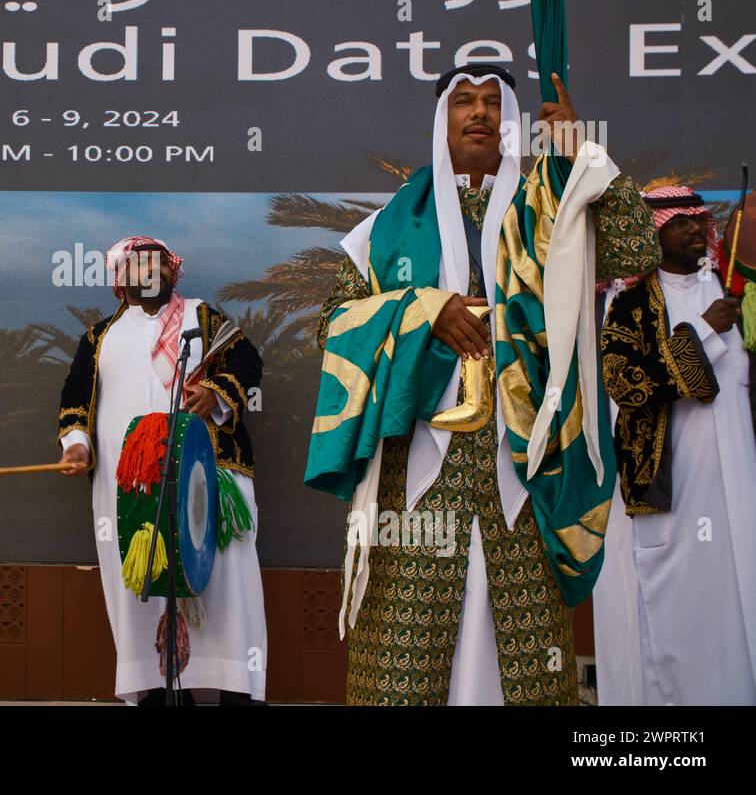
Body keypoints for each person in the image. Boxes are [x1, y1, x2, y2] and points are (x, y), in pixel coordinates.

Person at [309, 65, 659, 705]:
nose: (479, 113)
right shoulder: (387, 227)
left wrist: (582, 157)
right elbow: (331, 328)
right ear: (441, 122)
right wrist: (421, 311)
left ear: (514, 123)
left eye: (493, 103)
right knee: (403, 665)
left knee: (526, 665)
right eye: (463, 102)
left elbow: (637, 250)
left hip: (525, 466)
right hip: (415, 480)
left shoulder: (554, 207)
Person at [57, 236, 267, 704]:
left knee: (226, 581)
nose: (150, 272)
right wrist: (76, 445)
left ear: (173, 271)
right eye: (138, 265)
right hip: (131, 491)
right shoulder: (98, 338)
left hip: (208, 479)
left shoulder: (204, 318)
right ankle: (156, 692)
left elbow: (248, 360)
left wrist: (216, 391)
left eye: (159, 264)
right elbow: (75, 401)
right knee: (141, 586)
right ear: (120, 279)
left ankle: (238, 689)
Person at [595, 186, 755, 704]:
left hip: (739, 479)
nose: (693, 230)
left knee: (736, 595)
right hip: (669, 486)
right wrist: (703, 334)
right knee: (675, 609)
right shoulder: (630, 304)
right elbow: (627, 385)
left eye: (698, 221)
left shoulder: (734, 294)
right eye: (679, 221)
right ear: (653, 233)